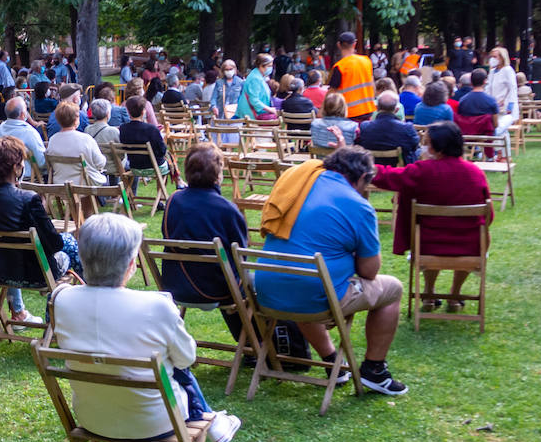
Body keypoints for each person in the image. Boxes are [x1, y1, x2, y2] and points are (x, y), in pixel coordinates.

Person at [54, 213, 240, 442]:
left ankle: (208, 427)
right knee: (170, 376)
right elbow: (187, 357)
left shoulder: (61, 300)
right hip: (155, 422)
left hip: (91, 417)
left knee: (159, 381)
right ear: (131, 265)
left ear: (84, 260)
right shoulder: (156, 305)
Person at [254, 147, 408, 394]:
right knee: (392, 290)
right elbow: (370, 271)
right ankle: (375, 369)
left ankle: (332, 362)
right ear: (360, 179)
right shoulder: (358, 205)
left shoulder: (298, 185)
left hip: (268, 292)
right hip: (316, 296)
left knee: (308, 280)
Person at [371, 122, 492, 311]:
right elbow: (488, 216)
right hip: (469, 246)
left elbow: (389, 176)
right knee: (471, 237)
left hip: (428, 245)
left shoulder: (422, 171)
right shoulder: (475, 173)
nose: (424, 146)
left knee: (429, 236)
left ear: (437, 146)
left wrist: (359, 163)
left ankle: (427, 293)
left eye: (426, 142)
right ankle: (455, 294)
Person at [0, 137, 78, 324]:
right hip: (35, 274)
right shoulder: (28, 199)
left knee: (66, 242)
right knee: (69, 243)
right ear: (15, 167)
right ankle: (60, 317)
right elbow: (55, 244)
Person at [160, 143, 250, 346]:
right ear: (218, 174)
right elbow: (241, 255)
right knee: (255, 282)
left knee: (233, 275)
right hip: (218, 288)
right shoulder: (227, 210)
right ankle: (256, 346)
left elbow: (167, 234)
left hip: (176, 283)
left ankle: (252, 346)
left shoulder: (174, 201)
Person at [45, 101, 107, 192]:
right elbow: (100, 163)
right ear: (76, 119)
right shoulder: (86, 139)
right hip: (84, 184)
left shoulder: (52, 140)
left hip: (59, 182)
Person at [355, 91, 421, 165]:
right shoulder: (407, 128)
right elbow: (414, 146)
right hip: (400, 170)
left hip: (373, 168)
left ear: (376, 108)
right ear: (397, 110)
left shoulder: (365, 127)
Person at [326, 32, 375, 120]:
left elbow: (332, 92)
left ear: (338, 45)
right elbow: (372, 84)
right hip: (368, 110)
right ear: (354, 44)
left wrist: (322, 110)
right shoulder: (367, 61)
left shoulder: (339, 66)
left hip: (348, 113)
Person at [0, 96, 46, 176]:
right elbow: (41, 162)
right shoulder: (29, 132)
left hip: (1, 176)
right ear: (22, 114)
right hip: (27, 177)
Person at [118, 94, 168, 176]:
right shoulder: (151, 129)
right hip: (154, 167)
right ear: (143, 111)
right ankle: (170, 184)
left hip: (135, 167)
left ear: (128, 112)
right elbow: (162, 151)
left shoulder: (123, 129)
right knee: (168, 159)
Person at [484, 46, 518, 132]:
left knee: (501, 129)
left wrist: (510, 105)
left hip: (504, 105)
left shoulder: (508, 70)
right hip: (493, 105)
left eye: (495, 57)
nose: (492, 59)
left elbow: (512, 88)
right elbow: (488, 88)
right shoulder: (492, 72)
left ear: (502, 58)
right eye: (491, 57)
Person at [457, 69, 500, 134]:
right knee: (508, 119)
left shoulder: (462, 100)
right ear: (485, 81)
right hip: (486, 136)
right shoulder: (491, 100)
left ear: (471, 82)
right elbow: (495, 125)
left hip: (469, 134)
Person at [235, 54, 277, 120]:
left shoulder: (259, 76)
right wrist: (269, 109)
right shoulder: (255, 78)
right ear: (261, 66)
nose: (271, 68)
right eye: (269, 66)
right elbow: (254, 100)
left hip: (254, 114)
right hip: (250, 115)